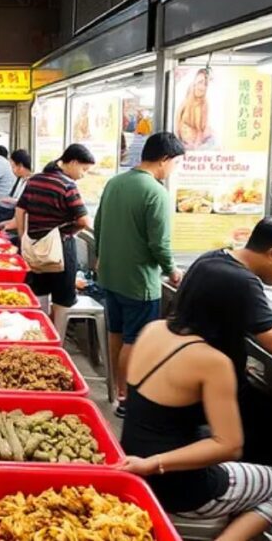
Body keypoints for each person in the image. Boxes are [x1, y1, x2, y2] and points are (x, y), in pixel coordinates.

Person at [119, 313, 272, 539]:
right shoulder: (213, 361)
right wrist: (153, 464)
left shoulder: (153, 329)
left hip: (133, 469)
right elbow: (230, 447)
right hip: (181, 492)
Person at [173, 216, 272, 465]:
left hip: (185, 373)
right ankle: (233, 472)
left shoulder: (212, 258)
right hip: (208, 389)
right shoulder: (242, 281)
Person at [95, 132, 185, 415]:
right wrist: (172, 270)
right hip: (139, 282)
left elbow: (98, 225)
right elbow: (159, 243)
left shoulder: (115, 182)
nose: (173, 170)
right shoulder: (156, 192)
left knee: (116, 333)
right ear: (165, 159)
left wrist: (101, 259)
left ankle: (116, 390)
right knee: (135, 340)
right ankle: (127, 399)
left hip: (111, 275)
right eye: (176, 163)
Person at [15, 144, 94, 315]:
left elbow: (20, 209)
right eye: (84, 169)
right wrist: (73, 231)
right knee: (63, 298)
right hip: (60, 250)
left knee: (39, 291)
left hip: (34, 245)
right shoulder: (67, 185)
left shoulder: (35, 180)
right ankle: (57, 330)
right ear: (73, 162)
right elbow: (84, 220)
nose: (83, 175)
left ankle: (40, 324)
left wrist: (22, 237)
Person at [175, 68, 214, 150]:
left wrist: (195, 146)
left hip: (196, 147)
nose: (202, 87)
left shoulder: (205, 105)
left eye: (205, 84)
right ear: (194, 83)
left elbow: (202, 129)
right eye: (200, 82)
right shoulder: (186, 101)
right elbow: (177, 125)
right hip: (181, 145)